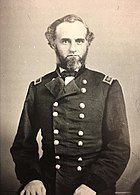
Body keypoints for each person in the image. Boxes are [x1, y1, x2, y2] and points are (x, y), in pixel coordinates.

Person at [10, 14, 130, 195]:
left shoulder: (107, 87)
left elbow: (119, 147)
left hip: (92, 183)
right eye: (65, 41)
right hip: (47, 182)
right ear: (52, 43)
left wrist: (94, 184)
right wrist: (31, 178)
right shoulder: (38, 88)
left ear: (87, 43)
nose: (73, 48)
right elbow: (23, 144)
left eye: (79, 41)